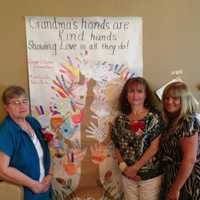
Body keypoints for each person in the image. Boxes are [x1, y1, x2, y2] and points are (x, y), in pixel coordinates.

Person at [111, 77, 164, 200]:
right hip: (127, 175)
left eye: (139, 91)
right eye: (131, 91)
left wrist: (135, 168)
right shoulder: (120, 120)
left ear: (146, 95)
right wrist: (126, 169)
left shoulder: (154, 117)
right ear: (126, 95)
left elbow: (154, 147)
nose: (135, 95)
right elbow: (117, 147)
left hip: (150, 176)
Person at [0, 86, 52, 200]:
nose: (22, 106)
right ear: (6, 108)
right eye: (15, 103)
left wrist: (49, 175)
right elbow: (2, 170)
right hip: (26, 193)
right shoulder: (6, 131)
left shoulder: (33, 122)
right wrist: (33, 185)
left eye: (24, 101)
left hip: (44, 188)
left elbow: (45, 152)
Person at [160, 81, 200, 200]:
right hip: (173, 176)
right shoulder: (172, 122)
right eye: (166, 98)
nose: (169, 101)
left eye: (175, 98)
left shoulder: (188, 122)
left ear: (185, 100)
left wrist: (175, 189)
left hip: (187, 180)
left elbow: (190, 159)